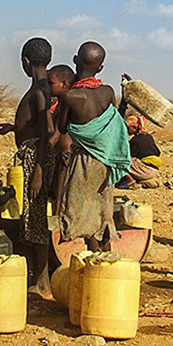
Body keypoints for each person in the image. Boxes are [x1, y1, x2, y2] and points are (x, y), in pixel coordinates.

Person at [52, 42, 131, 252]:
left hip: (83, 163)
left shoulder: (70, 97)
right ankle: (107, 258)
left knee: (78, 212)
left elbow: (60, 129)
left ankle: (96, 259)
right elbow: (113, 122)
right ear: (101, 68)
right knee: (102, 210)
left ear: (76, 60)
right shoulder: (107, 92)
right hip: (104, 162)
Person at [0, 38, 54, 286]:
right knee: (32, 216)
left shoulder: (40, 91)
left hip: (35, 158)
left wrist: (38, 169)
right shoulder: (40, 88)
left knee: (36, 218)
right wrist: (13, 127)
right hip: (32, 155)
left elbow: (47, 131)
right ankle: (39, 278)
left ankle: (42, 281)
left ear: (26, 62)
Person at [117, 115, 163, 189]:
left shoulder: (135, 140)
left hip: (144, 171)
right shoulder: (149, 136)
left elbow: (128, 154)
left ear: (135, 127)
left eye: (128, 127)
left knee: (116, 160)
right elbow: (157, 152)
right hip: (154, 171)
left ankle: (130, 181)